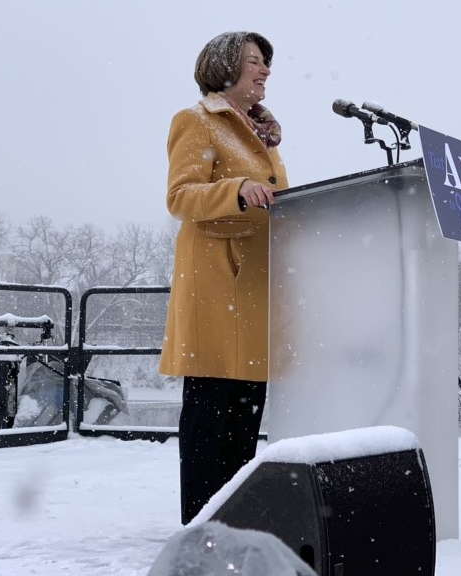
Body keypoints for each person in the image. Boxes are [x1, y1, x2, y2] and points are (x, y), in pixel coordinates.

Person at [159, 31, 288, 526]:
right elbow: (181, 196)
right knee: (209, 418)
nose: (265, 70)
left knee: (244, 419)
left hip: (257, 289)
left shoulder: (264, 136)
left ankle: (235, 521)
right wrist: (237, 189)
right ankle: (200, 526)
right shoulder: (196, 121)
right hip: (217, 286)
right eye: (254, 61)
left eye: (265, 62)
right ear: (224, 67)